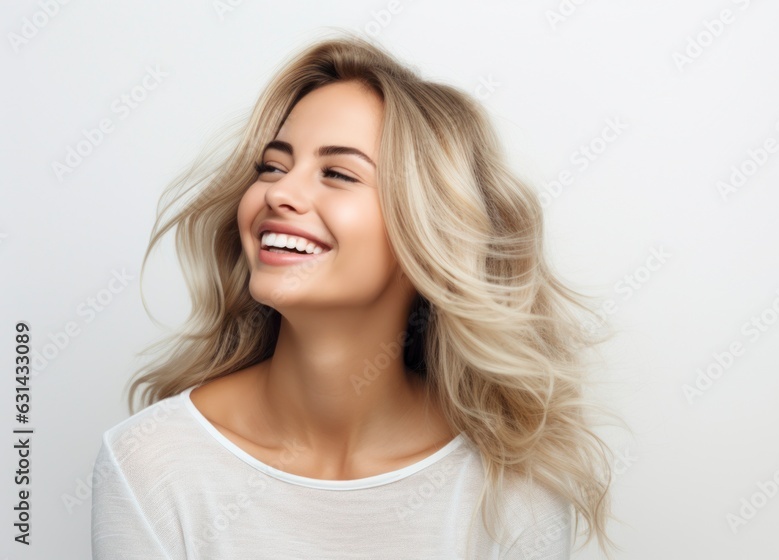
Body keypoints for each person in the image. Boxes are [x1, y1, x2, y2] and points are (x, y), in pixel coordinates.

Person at [91, 31, 625, 559]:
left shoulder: (513, 490)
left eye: (338, 173)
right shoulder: (152, 464)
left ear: (428, 231)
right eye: (273, 165)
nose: (279, 192)